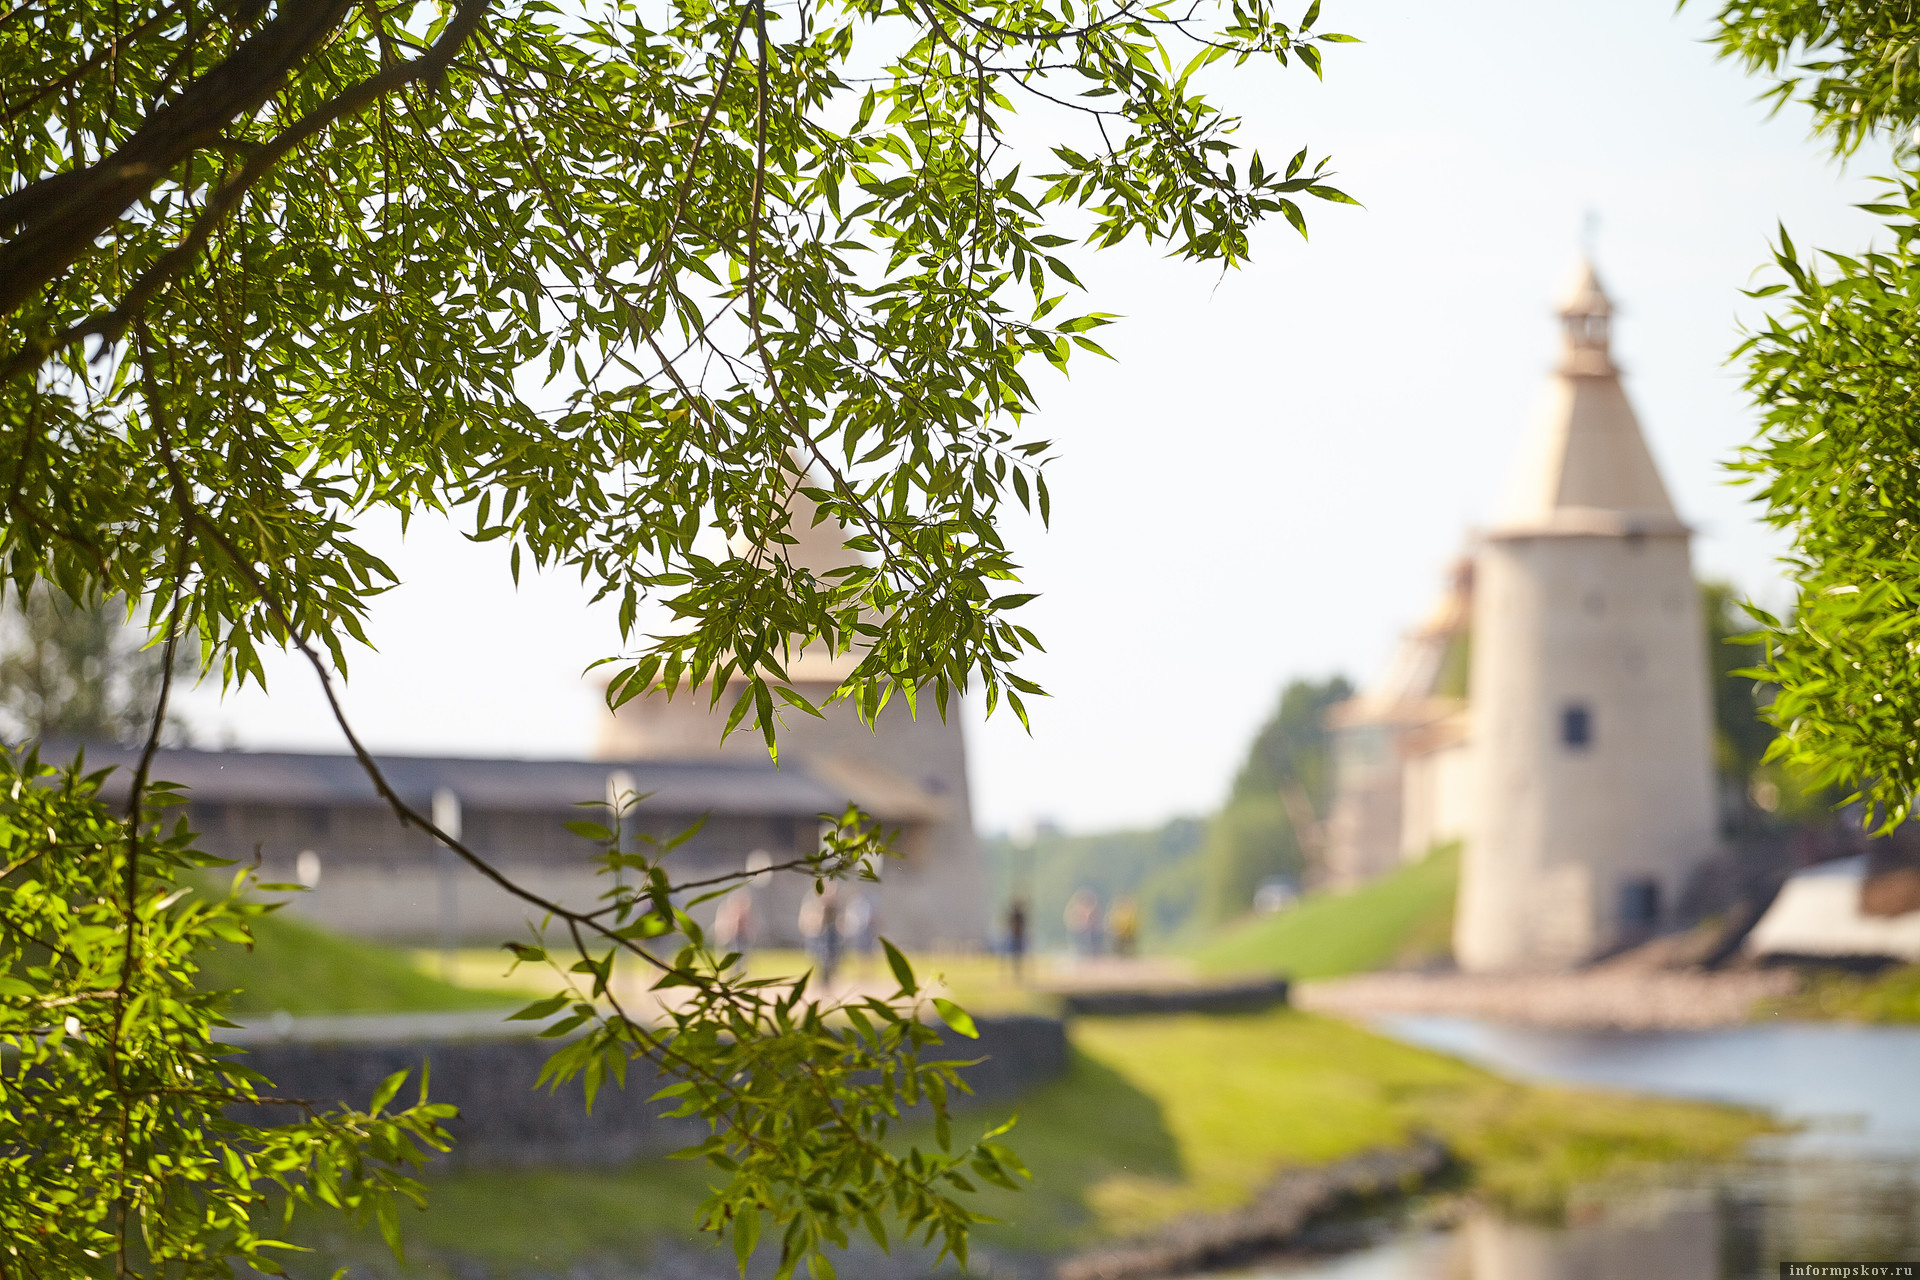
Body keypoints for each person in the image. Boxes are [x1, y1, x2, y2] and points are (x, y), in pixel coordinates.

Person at [1006, 897, 1028, 983]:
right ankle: (1016, 973)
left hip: (1018, 937)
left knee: (1018, 956)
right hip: (1015, 937)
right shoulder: (1015, 915)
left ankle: (1018, 973)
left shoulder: (1019, 915)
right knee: (1015, 956)